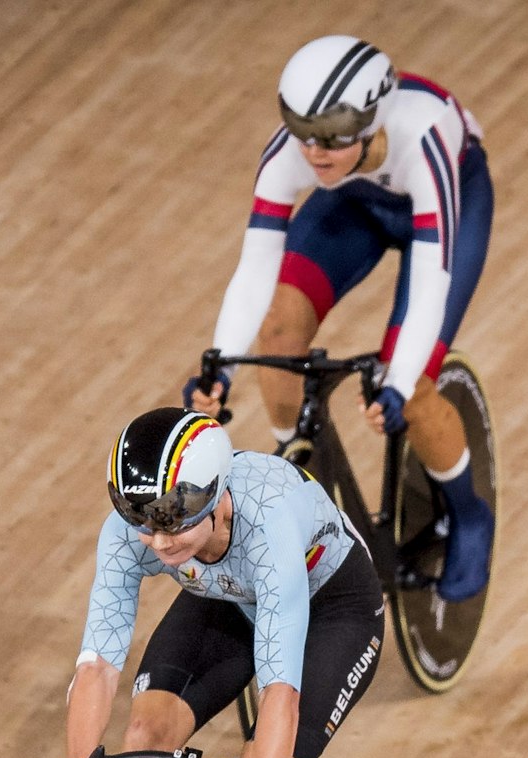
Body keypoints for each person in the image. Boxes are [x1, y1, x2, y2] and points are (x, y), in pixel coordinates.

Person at [49, 407, 384, 758]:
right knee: (142, 743)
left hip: (331, 607)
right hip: (227, 594)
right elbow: (98, 662)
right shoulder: (136, 529)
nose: (157, 542)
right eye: (141, 518)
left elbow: (280, 693)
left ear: (216, 495)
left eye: (173, 519)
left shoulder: (267, 522)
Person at [186, 36, 495, 601]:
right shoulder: (299, 151)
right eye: (301, 130)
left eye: (332, 135)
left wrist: (398, 382)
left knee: (416, 377)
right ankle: (304, 472)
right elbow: (257, 266)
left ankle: (469, 514)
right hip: (353, 202)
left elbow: (432, 281)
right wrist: (218, 370)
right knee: (277, 340)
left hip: (450, 202)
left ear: (374, 121)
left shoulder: (422, 139)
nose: (313, 151)